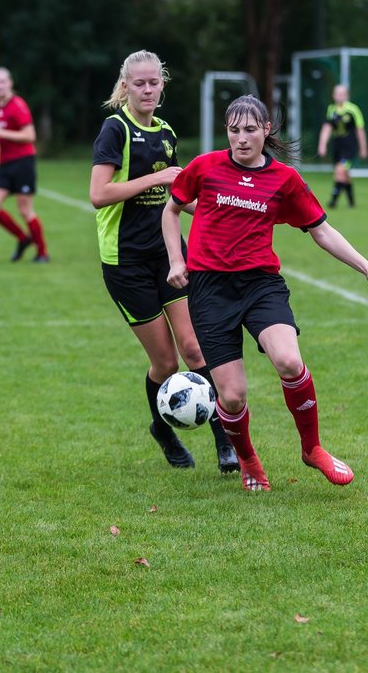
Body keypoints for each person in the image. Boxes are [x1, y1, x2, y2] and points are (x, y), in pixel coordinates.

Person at [163, 95, 368, 492]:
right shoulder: (205, 167)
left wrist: (367, 267)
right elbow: (172, 209)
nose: (241, 139)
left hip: (260, 285)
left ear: (266, 130)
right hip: (210, 290)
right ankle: (249, 460)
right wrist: (176, 261)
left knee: (288, 360)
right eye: (234, 130)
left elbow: (321, 230)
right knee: (231, 398)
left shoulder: (284, 179)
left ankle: (312, 448)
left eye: (250, 130)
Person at [89, 50, 238, 474]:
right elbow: (98, 195)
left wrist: (221, 217)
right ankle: (162, 428)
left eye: (154, 82)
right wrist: (158, 177)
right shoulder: (114, 130)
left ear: (162, 84)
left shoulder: (167, 131)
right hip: (125, 262)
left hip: (167, 254)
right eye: (139, 84)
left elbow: (176, 199)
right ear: (126, 86)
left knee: (194, 347)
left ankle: (224, 441)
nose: (148, 89)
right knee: (166, 363)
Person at [0, 67, 48, 263]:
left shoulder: (18, 105)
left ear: (10, 83)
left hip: (23, 162)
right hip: (4, 164)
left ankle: (42, 253)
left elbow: (30, 136)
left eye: (2, 81)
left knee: (25, 210)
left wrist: (0, 133)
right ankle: (23, 238)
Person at [316, 84, 367, 208]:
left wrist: (363, 148)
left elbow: (360, 130)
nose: (339, 96)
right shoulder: (331, 109)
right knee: (344, 174)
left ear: (347, 96)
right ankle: (351, 201)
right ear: (333, 95)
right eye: (337, 94)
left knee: (340, 171)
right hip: (337, 144)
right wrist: (322, 144)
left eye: (342, 94)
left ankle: (333, 201)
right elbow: (327, 128)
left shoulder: (353, 110)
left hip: (349, 144)